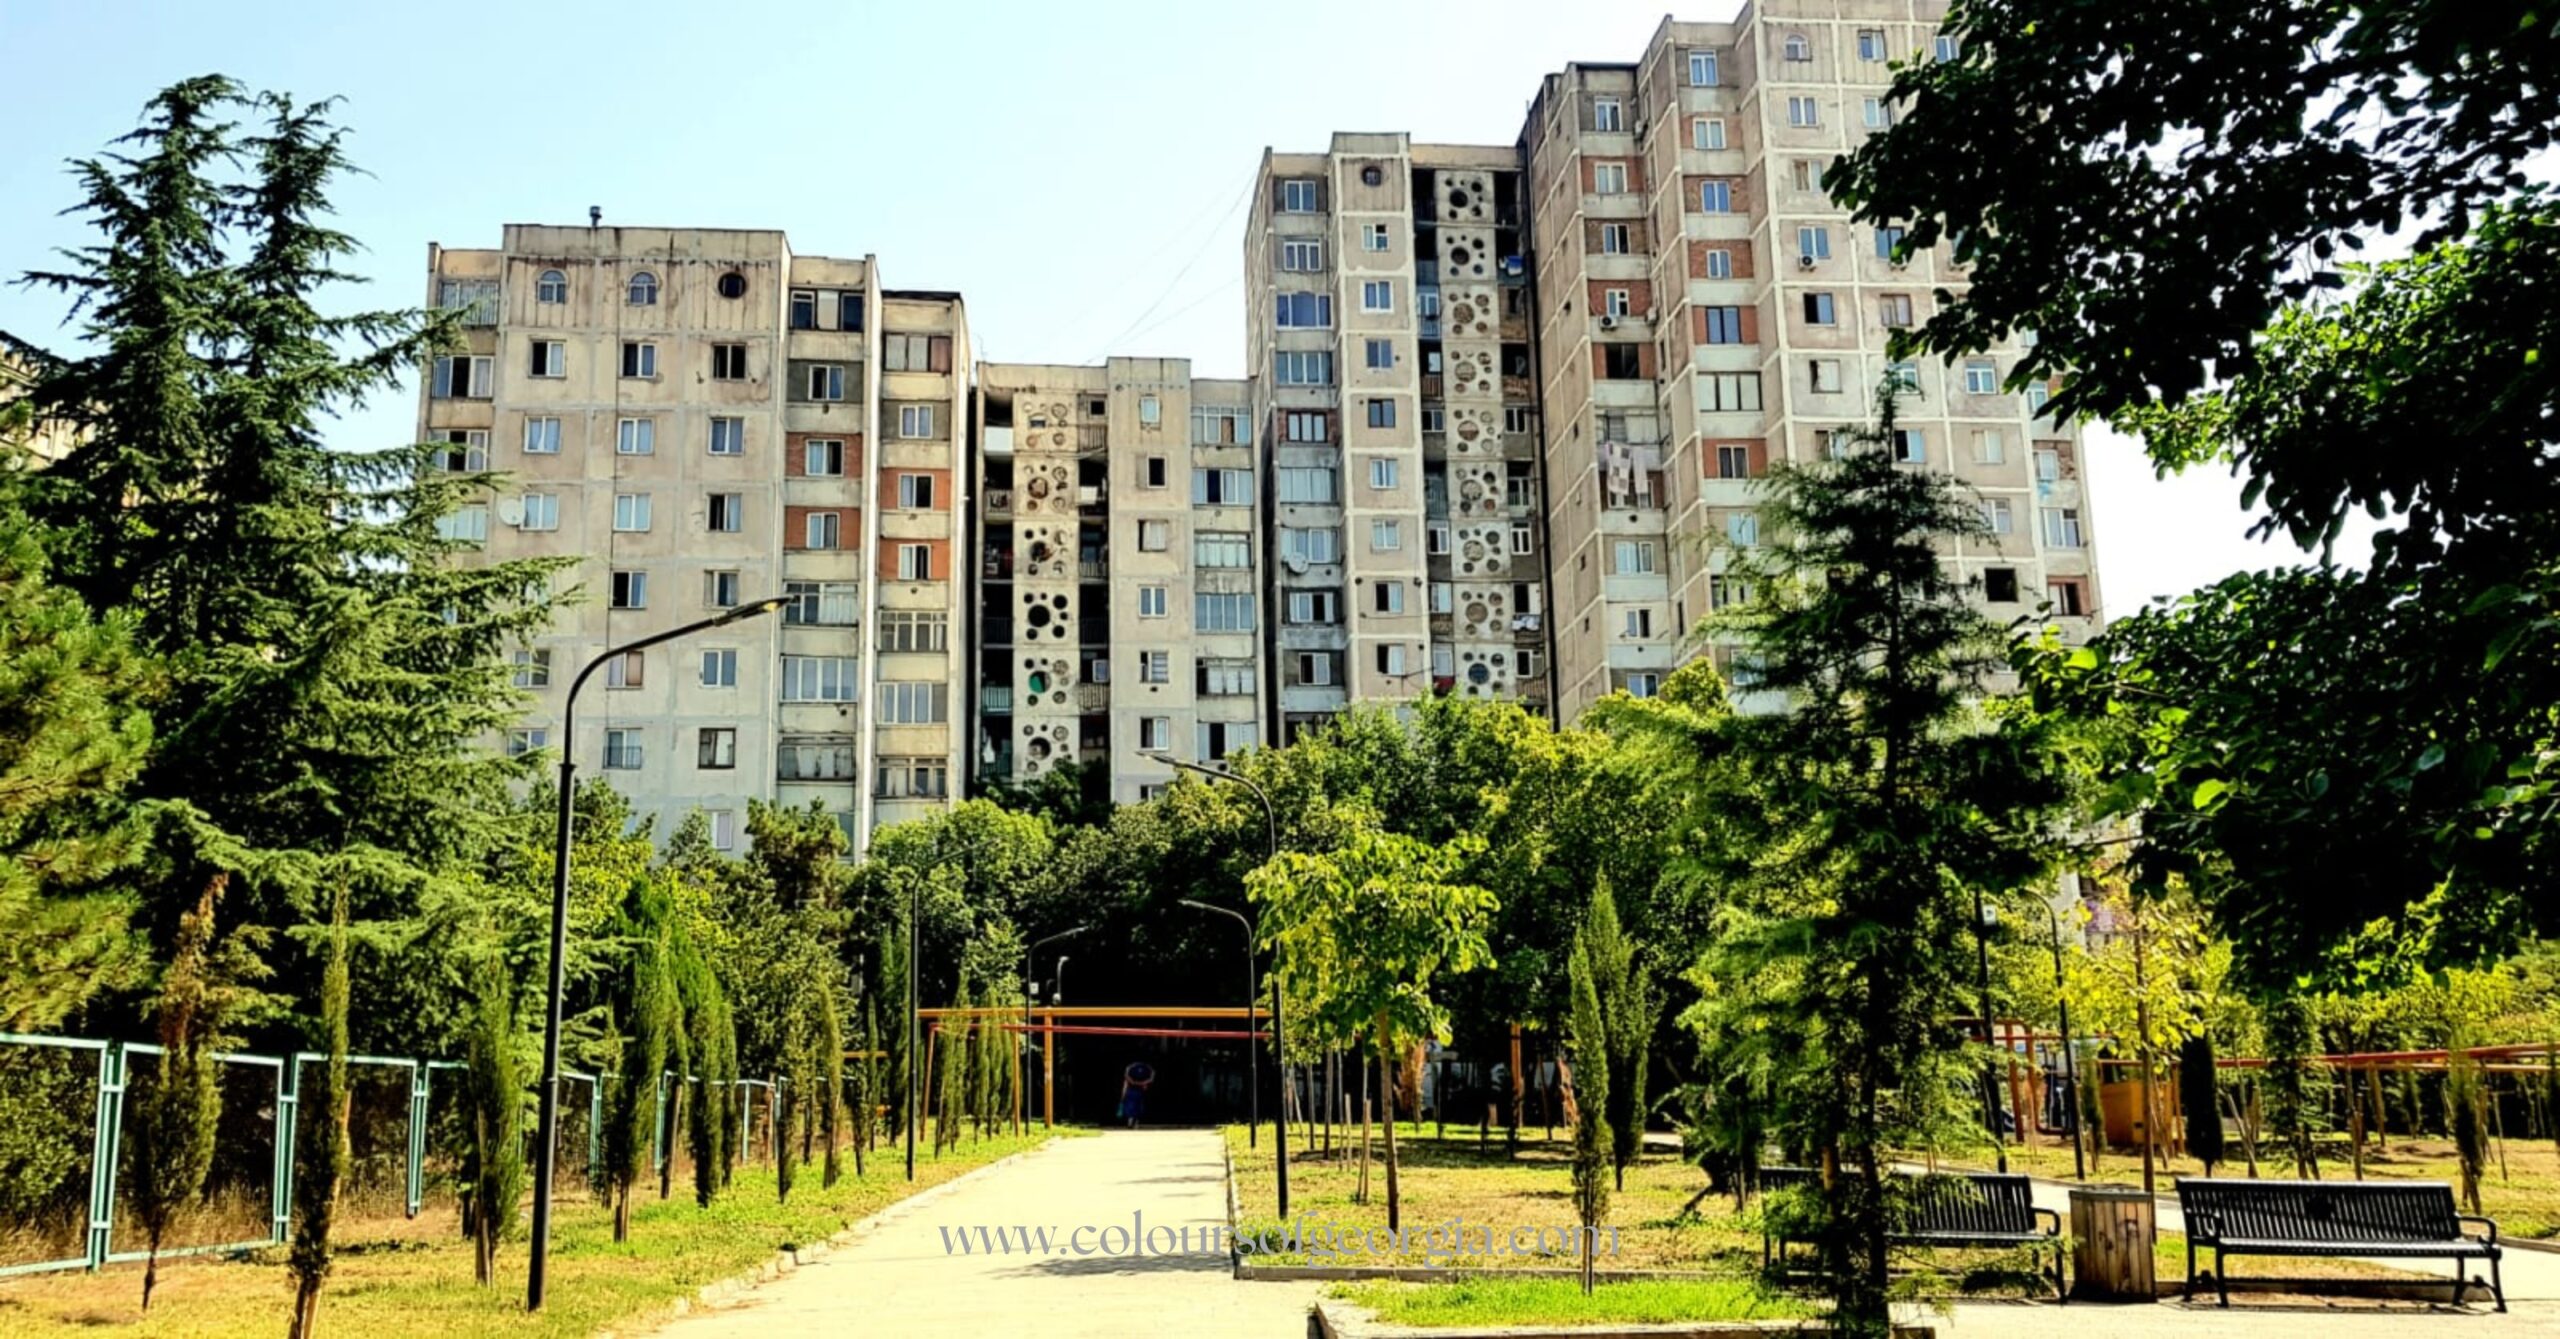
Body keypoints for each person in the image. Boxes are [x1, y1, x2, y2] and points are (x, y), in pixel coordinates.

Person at [1118, 1060, 1155, 1128]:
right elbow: (1126, 1083)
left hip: (1140, 1092)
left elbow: (1148, 1082)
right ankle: (1130, 1121)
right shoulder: (1130, 1070)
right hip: (1131, 1091)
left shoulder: (1147, 1070)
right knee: (1131, 1107)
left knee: (1139, 1108)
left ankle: (1135, 1122)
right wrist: (1123, 1094)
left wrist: (1143, 1084)